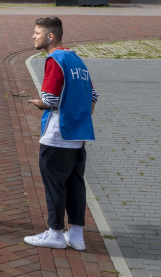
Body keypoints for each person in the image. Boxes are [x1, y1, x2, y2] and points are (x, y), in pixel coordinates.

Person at [25, 16, 99, 251]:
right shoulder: (76, 59)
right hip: (78, 135)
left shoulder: (54, 59)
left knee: (54, 184)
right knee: (75, 184)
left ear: (50, 36)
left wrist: (39, 103)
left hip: (57, 134)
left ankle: (55, 232)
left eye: (37, 32)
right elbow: (93, 97)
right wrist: (81, 120)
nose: (33, 36)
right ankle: (76, 235)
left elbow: (50, 99)